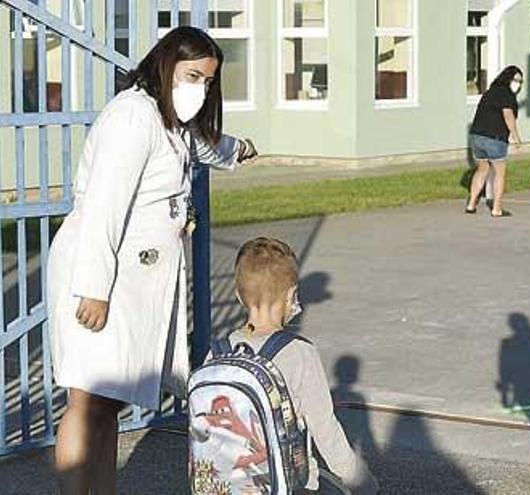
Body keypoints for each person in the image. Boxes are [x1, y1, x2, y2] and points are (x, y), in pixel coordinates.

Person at [47, 27, 257, 494]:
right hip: (103, 273)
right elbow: (105, 205)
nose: (199, 87)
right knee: (86, 399)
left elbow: (199, 145)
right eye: (192, 75)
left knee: (107, 404)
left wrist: (236, 149)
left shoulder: (166, 118)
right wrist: (95, 290)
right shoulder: (131, 118)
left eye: (207, 80)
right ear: (165, 65)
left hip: (131, 279)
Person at [223, 237, 379, 494]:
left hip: (226, 482)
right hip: (287, 485)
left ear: (239, 296)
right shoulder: (299, 353)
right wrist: (363, 484)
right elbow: (326, 431)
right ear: (291, 295)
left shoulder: (221, 350)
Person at [466, 65, 524, 217]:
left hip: (477, 136)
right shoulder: (506, 95)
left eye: (520, 82)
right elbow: (508, 115)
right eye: (516, 80)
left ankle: (471, 204)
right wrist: (516, 137)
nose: (518, 84)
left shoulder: (490, 92)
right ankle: (497, 208)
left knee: (482, 169)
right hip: (495, 138)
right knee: (499, 173)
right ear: (508, 79)